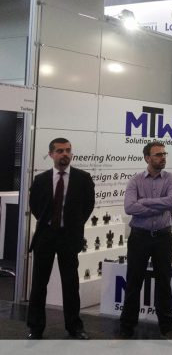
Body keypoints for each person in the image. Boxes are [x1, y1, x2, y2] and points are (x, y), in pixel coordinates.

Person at [27, 138, 95, 340]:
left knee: (70, 283)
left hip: (69, 236)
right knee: (39, 284)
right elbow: (35, 206)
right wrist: (49, 223)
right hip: (46, 235)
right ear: (51, 154)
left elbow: (88, 205)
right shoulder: (41, 179)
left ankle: (74, 327)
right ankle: (35, 327)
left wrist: (74, 224)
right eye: (60, 151)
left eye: (68, 150)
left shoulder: (83, 178)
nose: (65, 154)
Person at [119, 141, 172, 340]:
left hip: (163, 237)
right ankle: (126, 328)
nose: (163, 157)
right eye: (158, 155)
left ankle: (167, 328)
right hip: (139, 237)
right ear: (147, 158)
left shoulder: (171, 179)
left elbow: (171, 202)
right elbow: (129, 207)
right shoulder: (135, 181)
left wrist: (144, 202)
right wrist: (157, 207)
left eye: (164, 154)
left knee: (164, 282)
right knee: (133, 282)